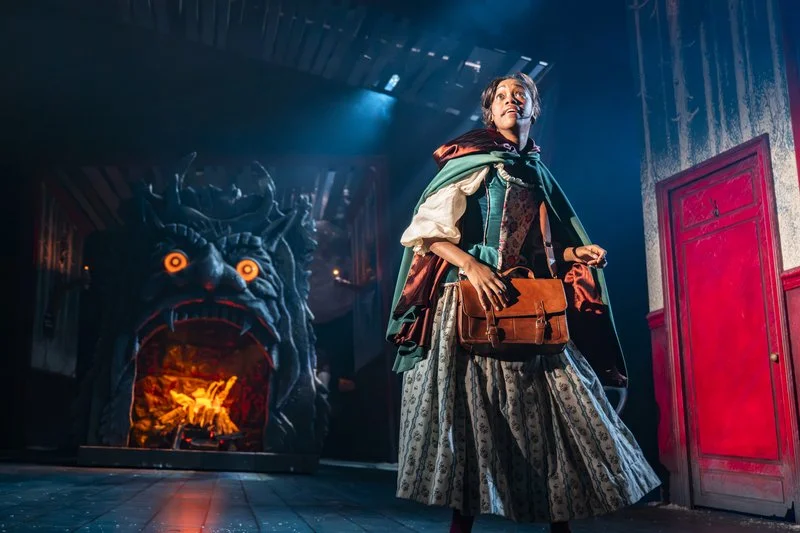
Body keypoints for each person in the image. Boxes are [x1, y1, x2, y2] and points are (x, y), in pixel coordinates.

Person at [386, 72, 660, 533]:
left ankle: (560, 522)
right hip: (470, 298)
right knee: (472, 413)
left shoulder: (535, 172)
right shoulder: (471, 161)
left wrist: (575, 253)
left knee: (557, 406)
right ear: (490, 112)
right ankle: (461, 525)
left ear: (534, 109)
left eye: (521, 95)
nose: (511, 101)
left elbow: (540, 248)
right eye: (502, 97)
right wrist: (473, 266)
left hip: (523, 299)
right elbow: (426, 234)